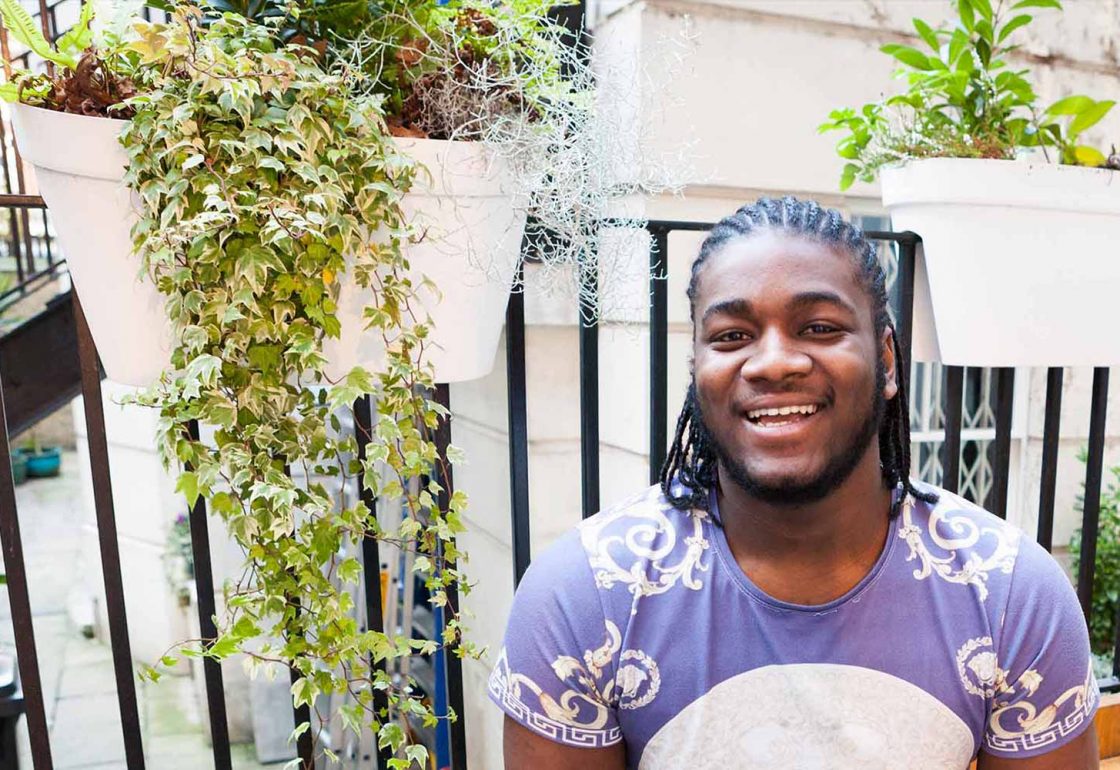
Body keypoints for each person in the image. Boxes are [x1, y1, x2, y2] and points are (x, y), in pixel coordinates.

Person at [487, 197, 1100, 770]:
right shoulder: (586, 595)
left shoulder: (1009, 595)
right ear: (697, 368)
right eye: (732, 336)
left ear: (886, 360)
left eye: (820, 327)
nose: (774, 361)